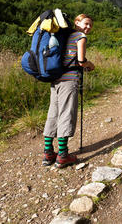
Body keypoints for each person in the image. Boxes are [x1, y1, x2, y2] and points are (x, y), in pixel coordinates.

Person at [42, 14, 95, 168]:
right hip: (69, 81)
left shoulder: (64, 36)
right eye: (86, 23)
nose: (88, 27)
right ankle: (63, 155)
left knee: (53, 113)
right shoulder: (80, 36)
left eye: (90, 25)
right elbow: (81, 60)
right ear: (76, 22)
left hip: (56, 79)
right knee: (66, 114)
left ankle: (48, 153)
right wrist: (90, 65)